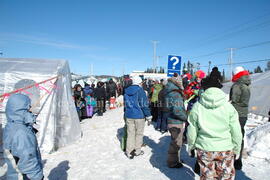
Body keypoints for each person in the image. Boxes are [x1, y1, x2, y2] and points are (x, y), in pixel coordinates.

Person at [187, 80, 242, 180]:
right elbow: (236, 131)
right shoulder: (229, 107)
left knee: (207, 175)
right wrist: (237, 148)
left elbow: (192, 130)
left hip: (204, 148)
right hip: (225, 148)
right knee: (226, 175)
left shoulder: (197, 107)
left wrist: (191, 146)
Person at [3, 94, 44, 180]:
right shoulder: (21, 132)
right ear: (20, 110)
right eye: (28, 107)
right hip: (27, 176)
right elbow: (28, 159)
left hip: (16, 174)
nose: (30, 110)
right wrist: (37, 177)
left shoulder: (12, 125)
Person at [124, 76, 152, 159]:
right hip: (139, 115)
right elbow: (144, 104)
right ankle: (137, 151)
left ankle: (129, 151)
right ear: (139, 82)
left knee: (130, 133)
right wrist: (148, 115)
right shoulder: (140, 90)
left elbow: (125, 104)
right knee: (139, 134)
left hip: (129, 115)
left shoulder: (126, 90)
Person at [230, 66, 251, 170]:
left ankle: (234, 159)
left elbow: (234, 99)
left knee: (234, 135)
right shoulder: (246, 84)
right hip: (243, 114)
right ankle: (238, 161)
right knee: (240, 135)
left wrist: (230, 103)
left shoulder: (238, 85)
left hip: (236, 113)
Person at [164, 77, 187, 168]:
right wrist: (186, 117)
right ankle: (172, 162)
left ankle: (176, 159)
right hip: (176, 121)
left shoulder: (170, 92)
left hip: (171, 119)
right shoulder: (176, 94)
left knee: (176, 141)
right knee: (176, 143)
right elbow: (177, 111)